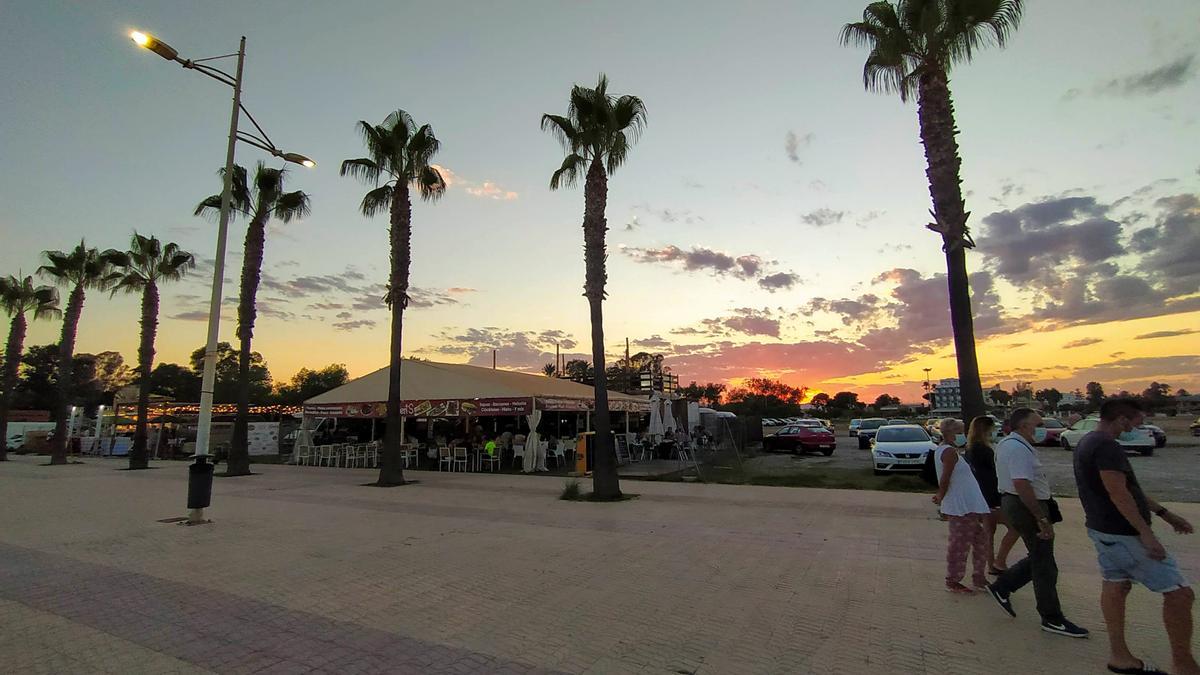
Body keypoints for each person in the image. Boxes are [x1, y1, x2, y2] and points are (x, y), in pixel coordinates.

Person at [1074, 398, 1197, 675]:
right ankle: (1184, 664)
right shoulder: (1106, 446)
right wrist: (1146, 534)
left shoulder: (1087, 441)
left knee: (1116, 585)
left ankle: (1120, 656)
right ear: (1121, 420)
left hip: (1103, 531)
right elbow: (1119, 492)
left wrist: (1165, 514)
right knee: (1180, 594)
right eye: (1137, 422)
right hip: (1124, 535)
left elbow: (1131, 489)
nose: (1139, 427)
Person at [987, 408, 1089, 638]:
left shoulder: (1011, 444)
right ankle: (1051, 617)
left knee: (1039, 556)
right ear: (1023, 426)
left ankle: (1002, 587)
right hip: (1025, 506)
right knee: (1045, 564)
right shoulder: (1016, 448)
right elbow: (1022, 483)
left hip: (1019, 503)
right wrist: (1041, 517)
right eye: (1038, 423)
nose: (1041, 428)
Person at [931, 418, 991, 593]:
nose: (963, 435)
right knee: (960, 543)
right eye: (959, 432)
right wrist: (941, 495)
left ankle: (979, 577)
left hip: (969, 504)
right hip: (960, 506)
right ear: (949, 433)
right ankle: (953, 579)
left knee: (980, 540)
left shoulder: (952, 450)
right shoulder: (948, 451)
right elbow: (945, 477)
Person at [964, 415, 1022, 575]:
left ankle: (992, 565)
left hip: (982, 495)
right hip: (992, 495)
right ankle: (998, 561)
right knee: (1015, 526)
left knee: (989, 533)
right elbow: (993, 472)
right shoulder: (983, 450)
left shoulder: (970, 449)